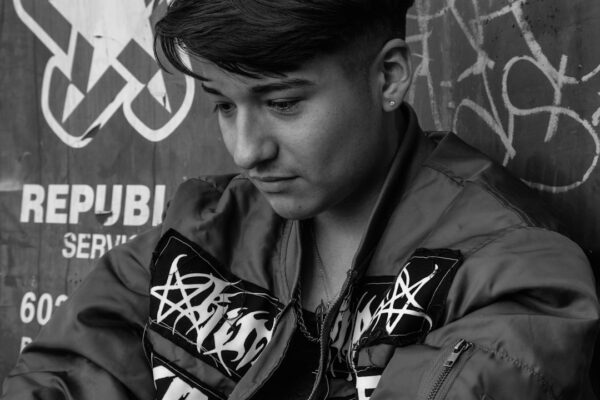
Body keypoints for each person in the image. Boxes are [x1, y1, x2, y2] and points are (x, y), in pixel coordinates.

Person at [2, 1, 599, 399]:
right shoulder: (201, 235)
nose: (246, 150)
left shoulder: (509, 270)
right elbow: (58, 380)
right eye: (223, 105)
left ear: (389, 76)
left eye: (283, 103)